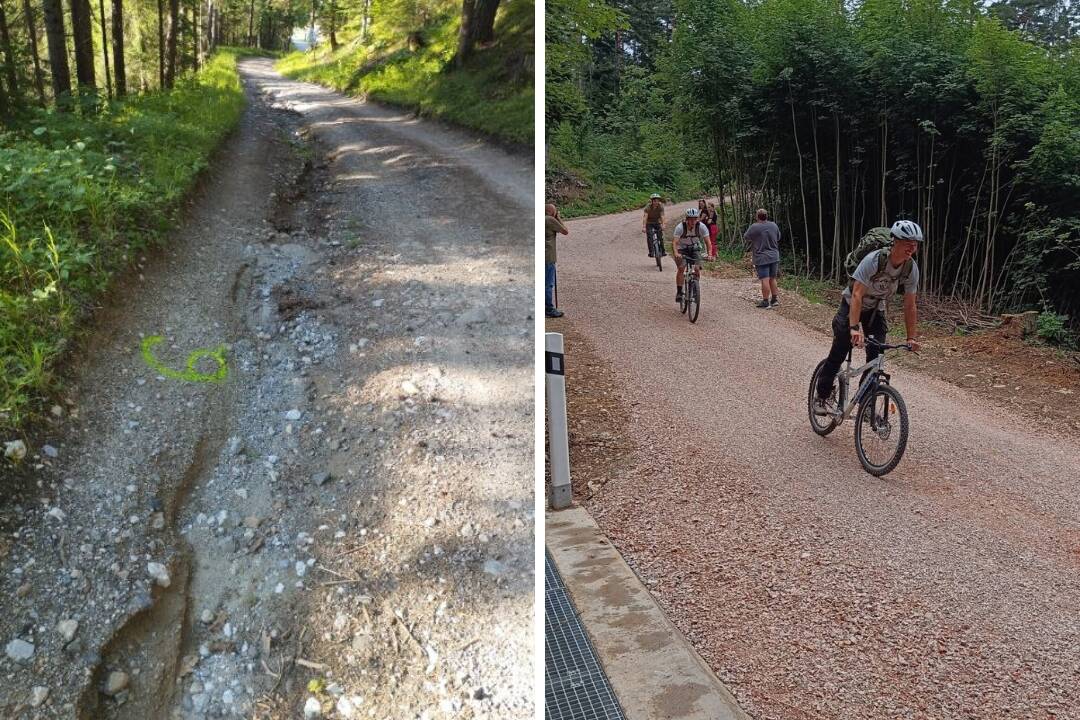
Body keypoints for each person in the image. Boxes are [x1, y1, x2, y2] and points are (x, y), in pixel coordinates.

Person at [812, 219, 925, 415]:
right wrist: (855, 328)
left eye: (915, 244)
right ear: (895, 241)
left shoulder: (910, 268)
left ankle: (866, 404)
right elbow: (856, 294)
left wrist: (911, 337)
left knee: (876, 357)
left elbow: (910, 304)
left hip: (876, 310)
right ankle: (821, 397)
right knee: (839, 351)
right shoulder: (874, 260)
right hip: (852, 306)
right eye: (908, 243)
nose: (912, 248)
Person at [744, 209, 782, 308]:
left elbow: (747, 237)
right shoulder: (774, 225)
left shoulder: (754, 227)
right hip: (774, 255)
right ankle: (774, 299)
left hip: (762, 257)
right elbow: (778, 237)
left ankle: (765, 301)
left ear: (757, 216)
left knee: (765, 279)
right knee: (773, 278)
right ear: (766, 216)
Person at [673, 208, 710, 304]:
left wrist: (710, 254)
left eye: (695, 219)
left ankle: (695, 288)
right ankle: (679, 291)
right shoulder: (680, 227)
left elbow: (708, 242)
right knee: (681, 268)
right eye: (690, 219)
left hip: (695, 248)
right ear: (686, 219)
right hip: (682, 248)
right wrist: (676, 253)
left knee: (697, 268)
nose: (693, 221)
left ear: (697, 219)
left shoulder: (701, 227)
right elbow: (675, 242)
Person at [545, 203, 569, 318]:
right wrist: (557, 217)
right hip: (548, 256)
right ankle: (548, 309)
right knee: (548, 284)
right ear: (551, 212)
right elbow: (565, 230)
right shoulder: (549, 219)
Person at [642, 194, 666, 258]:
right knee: (649, 236)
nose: (656, 202)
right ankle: (651, 252)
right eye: (655, 201)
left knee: (660, 237)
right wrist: (644, 227)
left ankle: (663, 251)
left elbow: (662, 216)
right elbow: (645, 217)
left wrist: (663, 224)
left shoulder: (660, 207)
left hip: (657, 222)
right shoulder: (648, 207)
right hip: (649, 223)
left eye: (657, 201)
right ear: (652, 201)